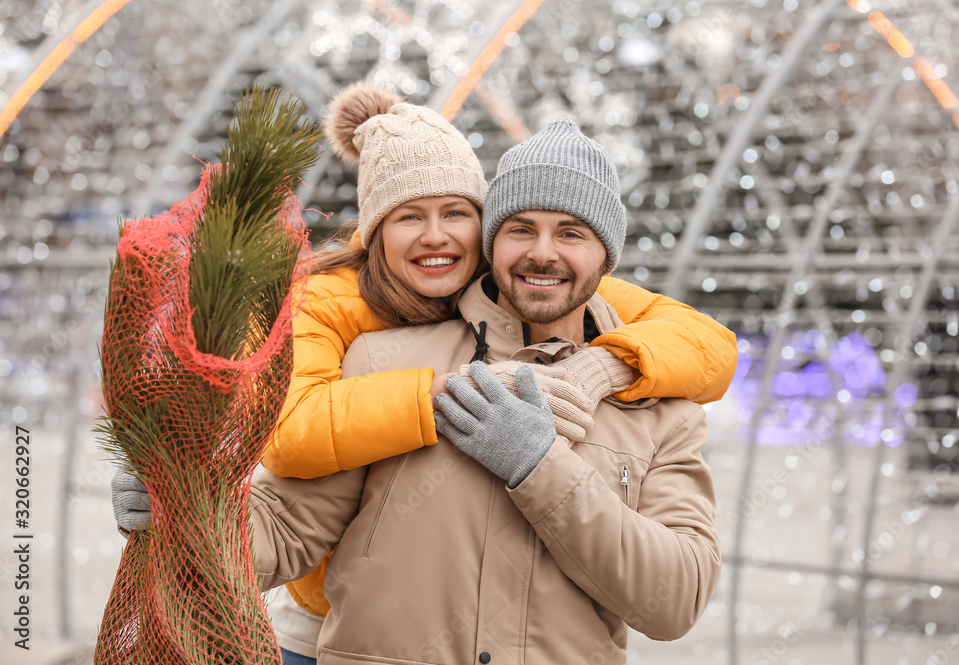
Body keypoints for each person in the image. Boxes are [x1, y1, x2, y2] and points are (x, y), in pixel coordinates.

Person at [112, 85, 734, 663]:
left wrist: (538, 464)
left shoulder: (662, 407)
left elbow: (673, 601)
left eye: (571, 232)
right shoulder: (381, 358)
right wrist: (189, 509)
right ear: (493, 242)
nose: (543, 252)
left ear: (608, 254)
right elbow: (289, 530)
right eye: (521, 229)